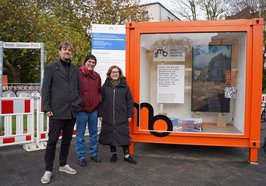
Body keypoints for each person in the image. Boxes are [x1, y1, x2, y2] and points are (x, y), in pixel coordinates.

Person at [41, 41, 82, 184]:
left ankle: (63, 164)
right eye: (65, 49)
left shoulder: (76, 69)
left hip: (71, 112)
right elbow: (45, 89)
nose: (67, 52)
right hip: (56, 112)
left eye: (70, 50)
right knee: (52, 141)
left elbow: (78, 89)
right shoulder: (51, 68)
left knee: (67, 140)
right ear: (60, 51)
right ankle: (48, 170)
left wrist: (78, 104)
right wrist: (46, 108)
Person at [99, 65, 137, 164]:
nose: (115, 74)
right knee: (111, 134)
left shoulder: (125, 86)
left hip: (121, 115)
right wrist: (100, 114)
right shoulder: (105, 86)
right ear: (109, 74)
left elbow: (129, 101)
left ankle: (127, 156)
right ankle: (114, 154)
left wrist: (130, 114)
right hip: (108, 115)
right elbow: (101, 101)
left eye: (116, 72)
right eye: (113, 72)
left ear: (120, 74)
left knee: (124, 135)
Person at [75, 54, 102, 166]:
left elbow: (99, 91)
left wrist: (98, 102)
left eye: (93, 62)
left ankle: (93, 154)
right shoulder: (78, 73)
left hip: (93, 110)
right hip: (81, 110)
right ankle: (81, 156)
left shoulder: (97, 76)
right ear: (85, 62)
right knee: (80, 135)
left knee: (94, 134)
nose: (91, 64)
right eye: (89, 62)